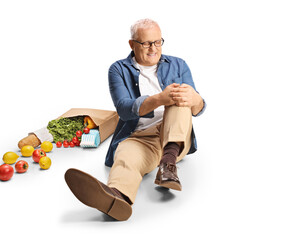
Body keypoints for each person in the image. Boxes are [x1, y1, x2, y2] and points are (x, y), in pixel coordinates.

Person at [64, 18, 206, 221]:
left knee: (179, 97)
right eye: (146, 43)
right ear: (132, 44)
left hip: (175, 135)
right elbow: (124, 109)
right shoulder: (118, 69)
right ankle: (117, 198)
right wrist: (159, 99)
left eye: (158, 42)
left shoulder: (178, 64)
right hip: (139, 137)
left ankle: (168, 164)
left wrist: (196, 99)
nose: (153, 48)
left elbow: (197, 108)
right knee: (126, 158)